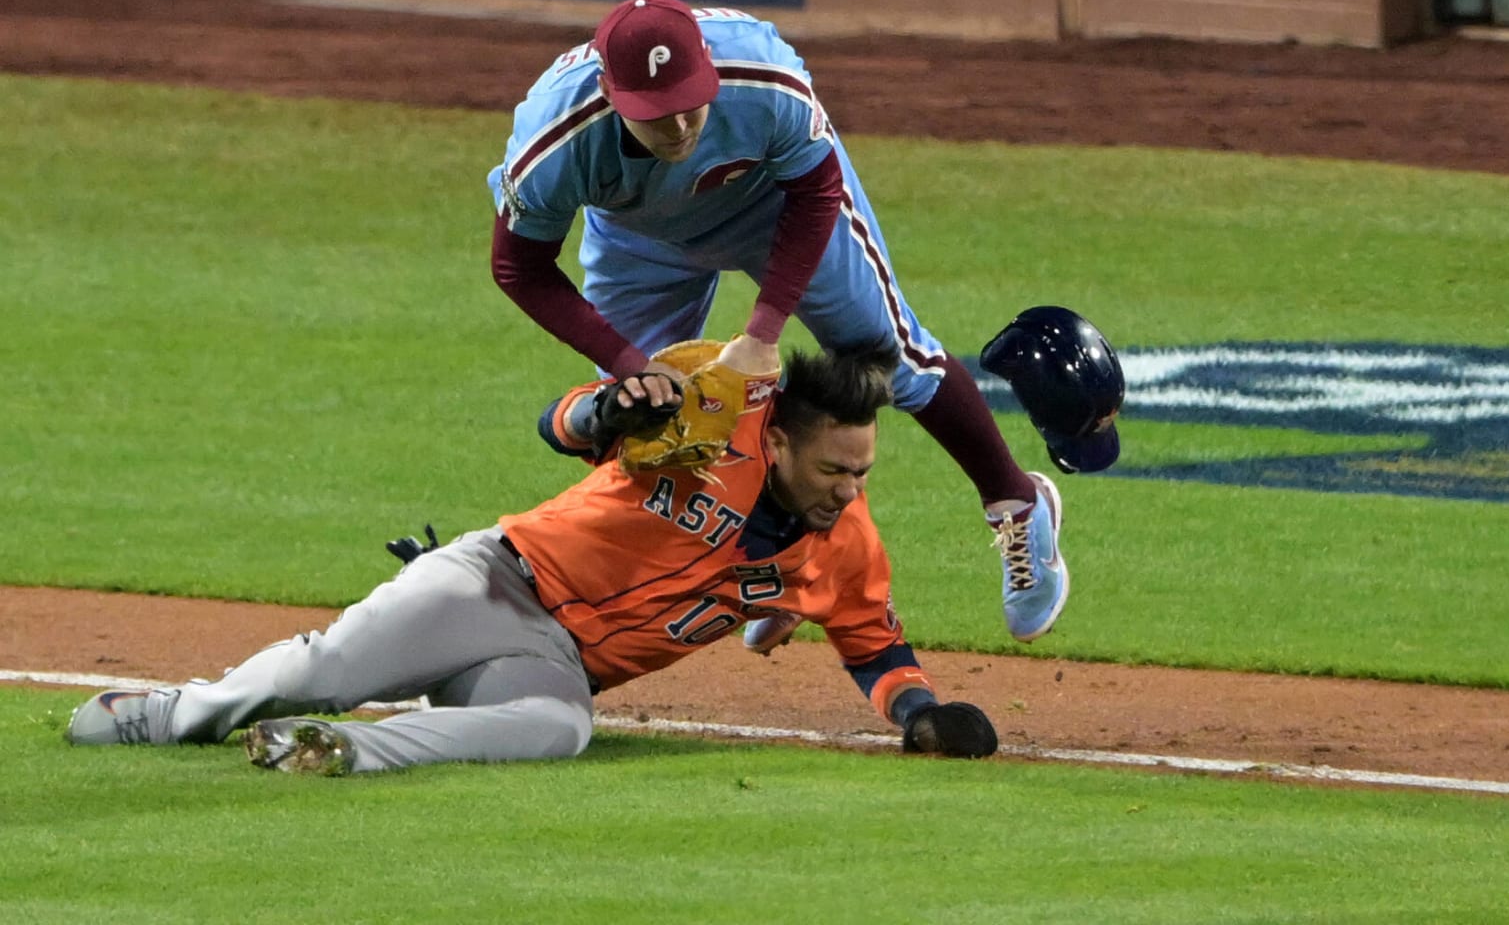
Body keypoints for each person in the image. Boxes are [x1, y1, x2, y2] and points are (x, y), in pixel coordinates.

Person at [64, 348, 999, 774]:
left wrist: (919, 713)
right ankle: (166, 714)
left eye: (864, 470)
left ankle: (345, 751)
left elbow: (873, 644)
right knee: (329, 669)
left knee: (561, 729)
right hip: (497, 582)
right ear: (785, 441)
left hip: (553, 663)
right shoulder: (717, 408)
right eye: (835, 468)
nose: (849, 488)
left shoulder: (845, 545)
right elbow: (562, 423)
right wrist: (606, 414)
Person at [487, 0, 1067, 645]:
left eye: (689, 104)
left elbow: (816, 190)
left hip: (771, 207)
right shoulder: (555, 141)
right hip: (638, 236)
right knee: (647, 426)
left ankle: (1018, 503)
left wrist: (763, 333)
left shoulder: (764, 77)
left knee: (885, 356)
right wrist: (633, 365)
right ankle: (776, 561)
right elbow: (520, 269)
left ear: (708, 66)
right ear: (609, 93)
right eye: (656, 116)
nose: (679, 128)